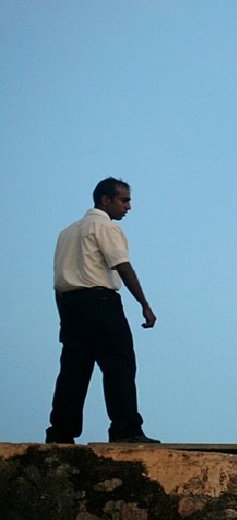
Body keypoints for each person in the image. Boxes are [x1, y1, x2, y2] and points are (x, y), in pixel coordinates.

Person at [45, 177, 159, 444]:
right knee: (119, 365)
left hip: (71, 305)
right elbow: (122, 265)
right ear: (105, 200)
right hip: (100, 302)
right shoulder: (104, 227)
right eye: (124, 200)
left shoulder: (67, 232)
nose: (128, 206)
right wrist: (144, 304)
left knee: (74, 370)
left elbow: (60, 282)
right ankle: (126, 429)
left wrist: (66, 316)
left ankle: (60, 432)